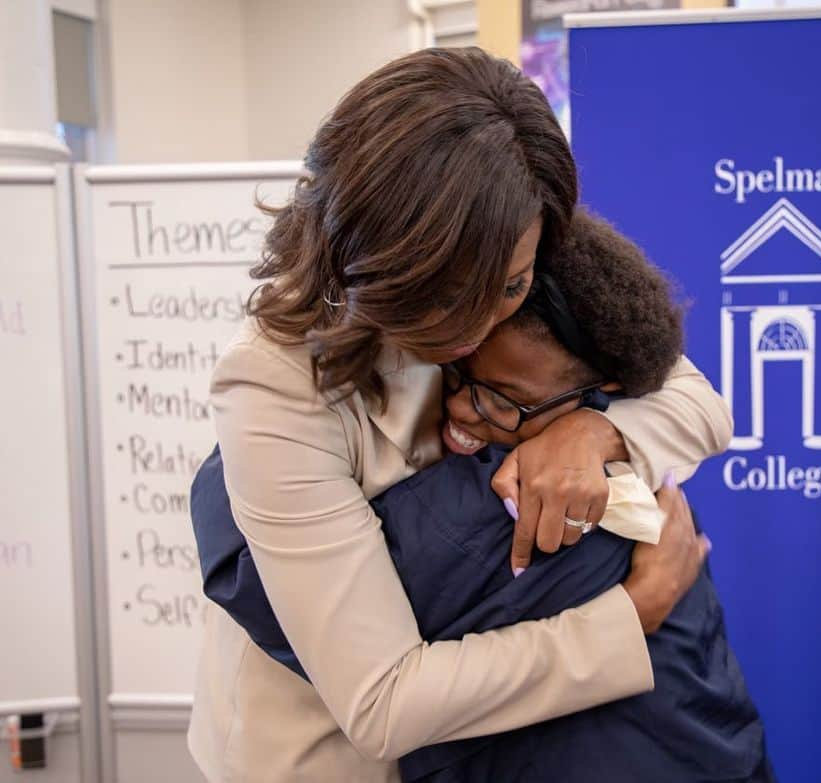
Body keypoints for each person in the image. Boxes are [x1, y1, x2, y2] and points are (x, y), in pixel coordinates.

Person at [188, 48, 733, 782]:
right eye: (447, 295)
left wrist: (595, 431)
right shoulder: (274, 380)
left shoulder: (516, 233)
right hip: (328, 754)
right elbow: (382, 700)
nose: (479, 325)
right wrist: (627, 618)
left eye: (509, 286)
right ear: (379, 257)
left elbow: (695, 399)